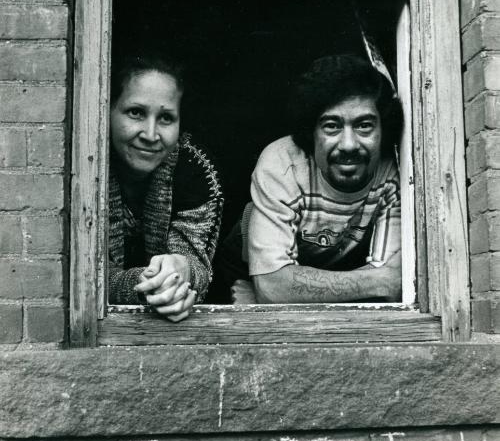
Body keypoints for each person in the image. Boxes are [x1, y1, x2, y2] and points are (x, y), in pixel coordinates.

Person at [228, 53, 402, 304]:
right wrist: (379, 281)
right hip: (240, 267)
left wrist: (285, 288)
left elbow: (392, 289)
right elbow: (272, 286)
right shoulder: (283, 163)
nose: (349, 145)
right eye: (332, 125)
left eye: (364, 125)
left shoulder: (393, 173)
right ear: (311, 133)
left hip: (334, 265)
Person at [108, 52, 223, 321]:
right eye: (136, 113)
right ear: (107, 110)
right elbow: (87, 280)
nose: (150, 134)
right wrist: (148, 284)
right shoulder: (85, 170)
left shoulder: (198, 172)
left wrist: (180, 272)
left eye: (166, 118)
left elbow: (197, 267)